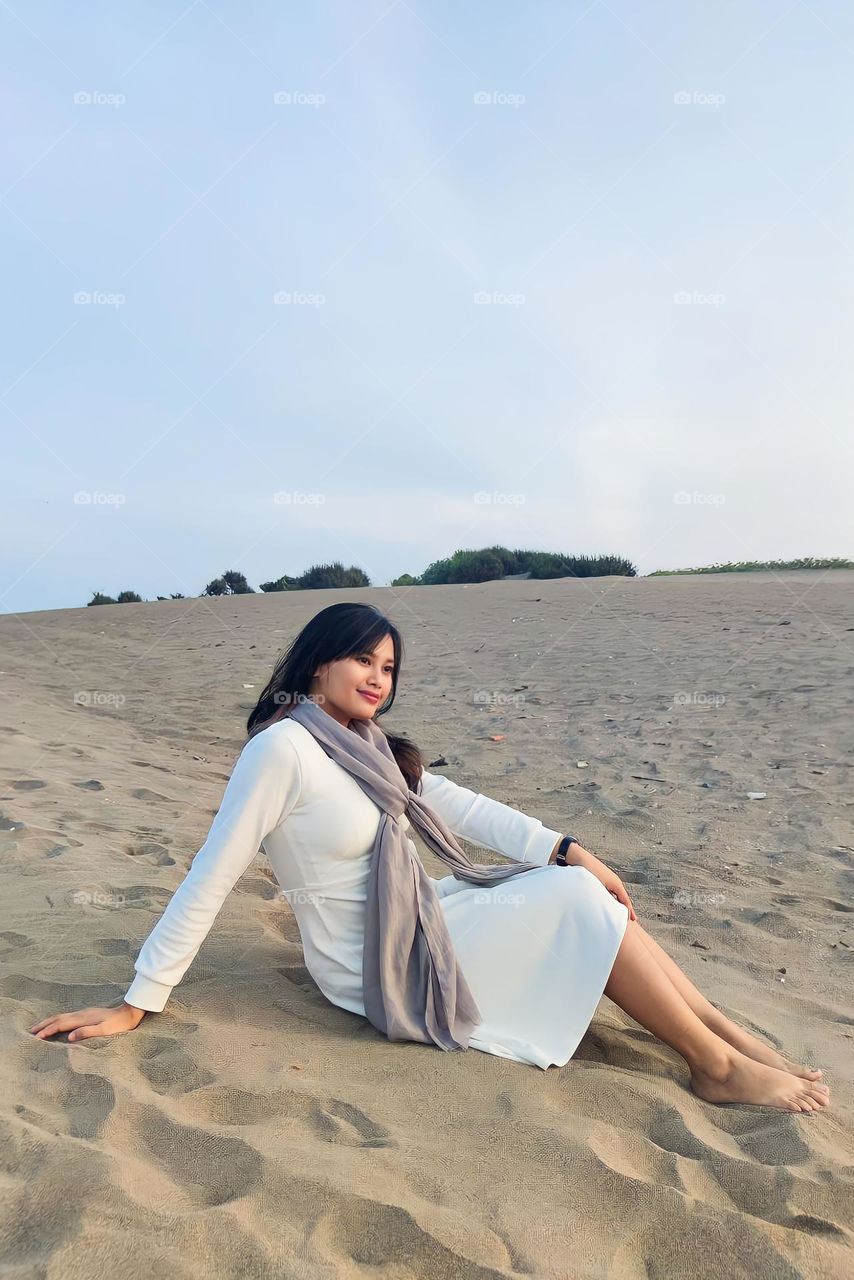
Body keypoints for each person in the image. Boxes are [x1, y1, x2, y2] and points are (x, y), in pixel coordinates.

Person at [31, 603, 830, 1113]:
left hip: (426, 912)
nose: (377, 679)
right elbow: (211, 875)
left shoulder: (367, 747)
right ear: (317, 663)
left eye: (389, 668)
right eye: (363, 662)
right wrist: (140, 1000)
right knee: (574, 903)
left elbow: (461, 806)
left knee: (577, 883)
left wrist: (568, 846)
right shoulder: (282, 752)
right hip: (371, 959)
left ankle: (722, 1032)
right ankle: (710, 1062)